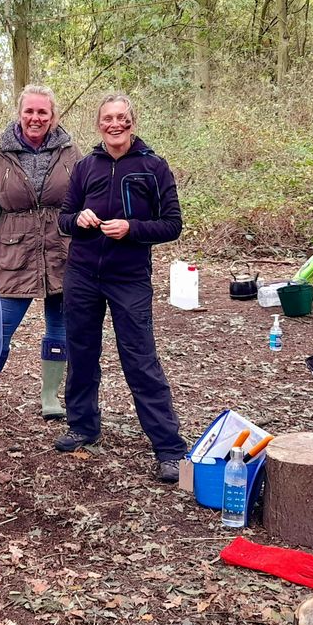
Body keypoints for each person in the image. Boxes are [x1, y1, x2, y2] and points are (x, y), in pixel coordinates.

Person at [55, 94, 188, 483]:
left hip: (129, 276)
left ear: (133, 122)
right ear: (99, 125)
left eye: (122, 118)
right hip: (82, 274)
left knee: (139, 357)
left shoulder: (153, 167)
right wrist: (77, 219)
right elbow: (63, 219)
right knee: (81, 351)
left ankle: (168, 447)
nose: (115, 124)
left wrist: (132, 229)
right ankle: (83, 426)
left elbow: (173, 224)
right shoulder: (85, 167)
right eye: (108, 118)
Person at [0, 84, 80, 420]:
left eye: (42, 112)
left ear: (52, 115)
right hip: (12, 257)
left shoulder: (71, 152)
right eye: (29, 111)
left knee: (59, 329)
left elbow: (84, 204)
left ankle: (50, 395)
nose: (35, 118)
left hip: (61, 253)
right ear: (19, 113)